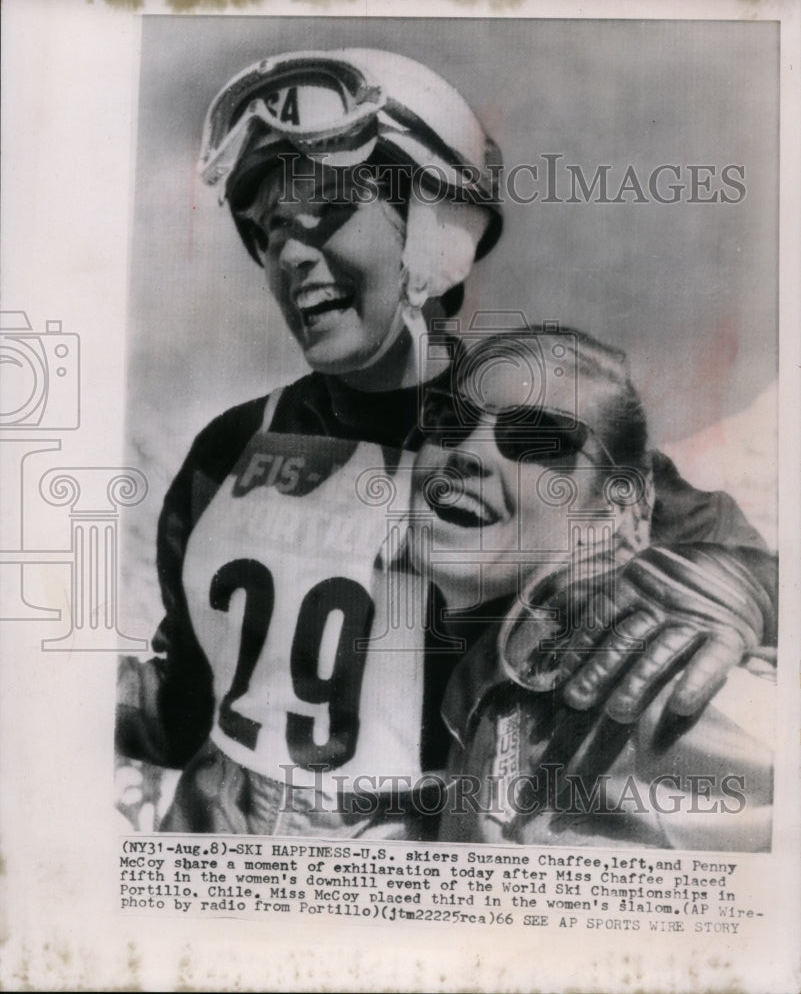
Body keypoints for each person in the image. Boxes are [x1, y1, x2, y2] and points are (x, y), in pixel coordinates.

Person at [116, 48, 776, 838]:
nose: (288, 256)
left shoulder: (528, 442)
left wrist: (735, 589)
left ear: (437, 235)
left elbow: (742, 572)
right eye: (268, 231)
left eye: (326, 208)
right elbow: (187, 699)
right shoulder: (230, 447)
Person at [408, 328, 774, 849]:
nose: (468, 452)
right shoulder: (485, 675)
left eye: (537, 438)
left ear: (612, 503)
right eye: (449, 421)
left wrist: (757, 587)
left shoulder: (660, 678)